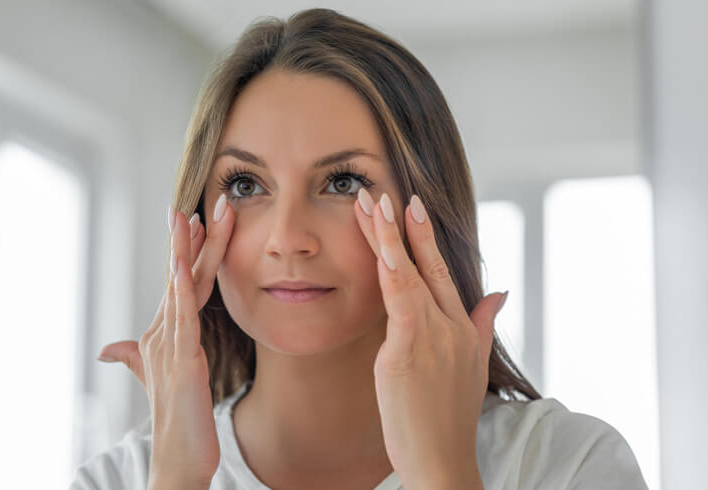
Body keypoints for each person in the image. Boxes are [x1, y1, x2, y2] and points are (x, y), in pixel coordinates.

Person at [69, 8, 648, 490]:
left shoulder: (567, 465)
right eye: (245, 185)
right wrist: (176, 478)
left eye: (343, 182)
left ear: (425, 209)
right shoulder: (118, 480)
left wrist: (443, 475)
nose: (288, 239)